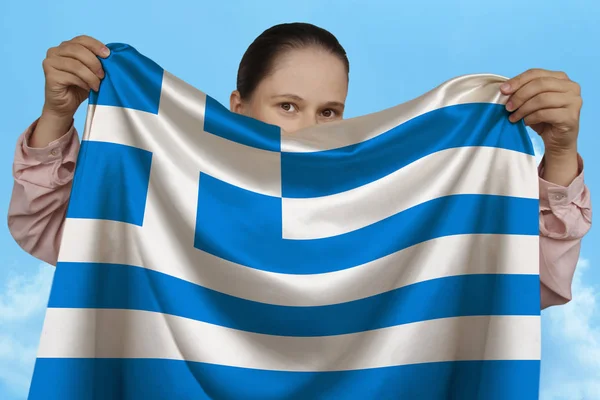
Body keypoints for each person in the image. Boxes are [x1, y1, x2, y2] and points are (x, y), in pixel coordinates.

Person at [7, 23, 592, 310]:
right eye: (287, 106)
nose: (310, 127)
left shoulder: (386, 212)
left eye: (329, 110)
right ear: (237, 108)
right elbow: (49, 229)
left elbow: (525, 283)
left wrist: (559, 156)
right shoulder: (174, 193)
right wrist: (58, 115)